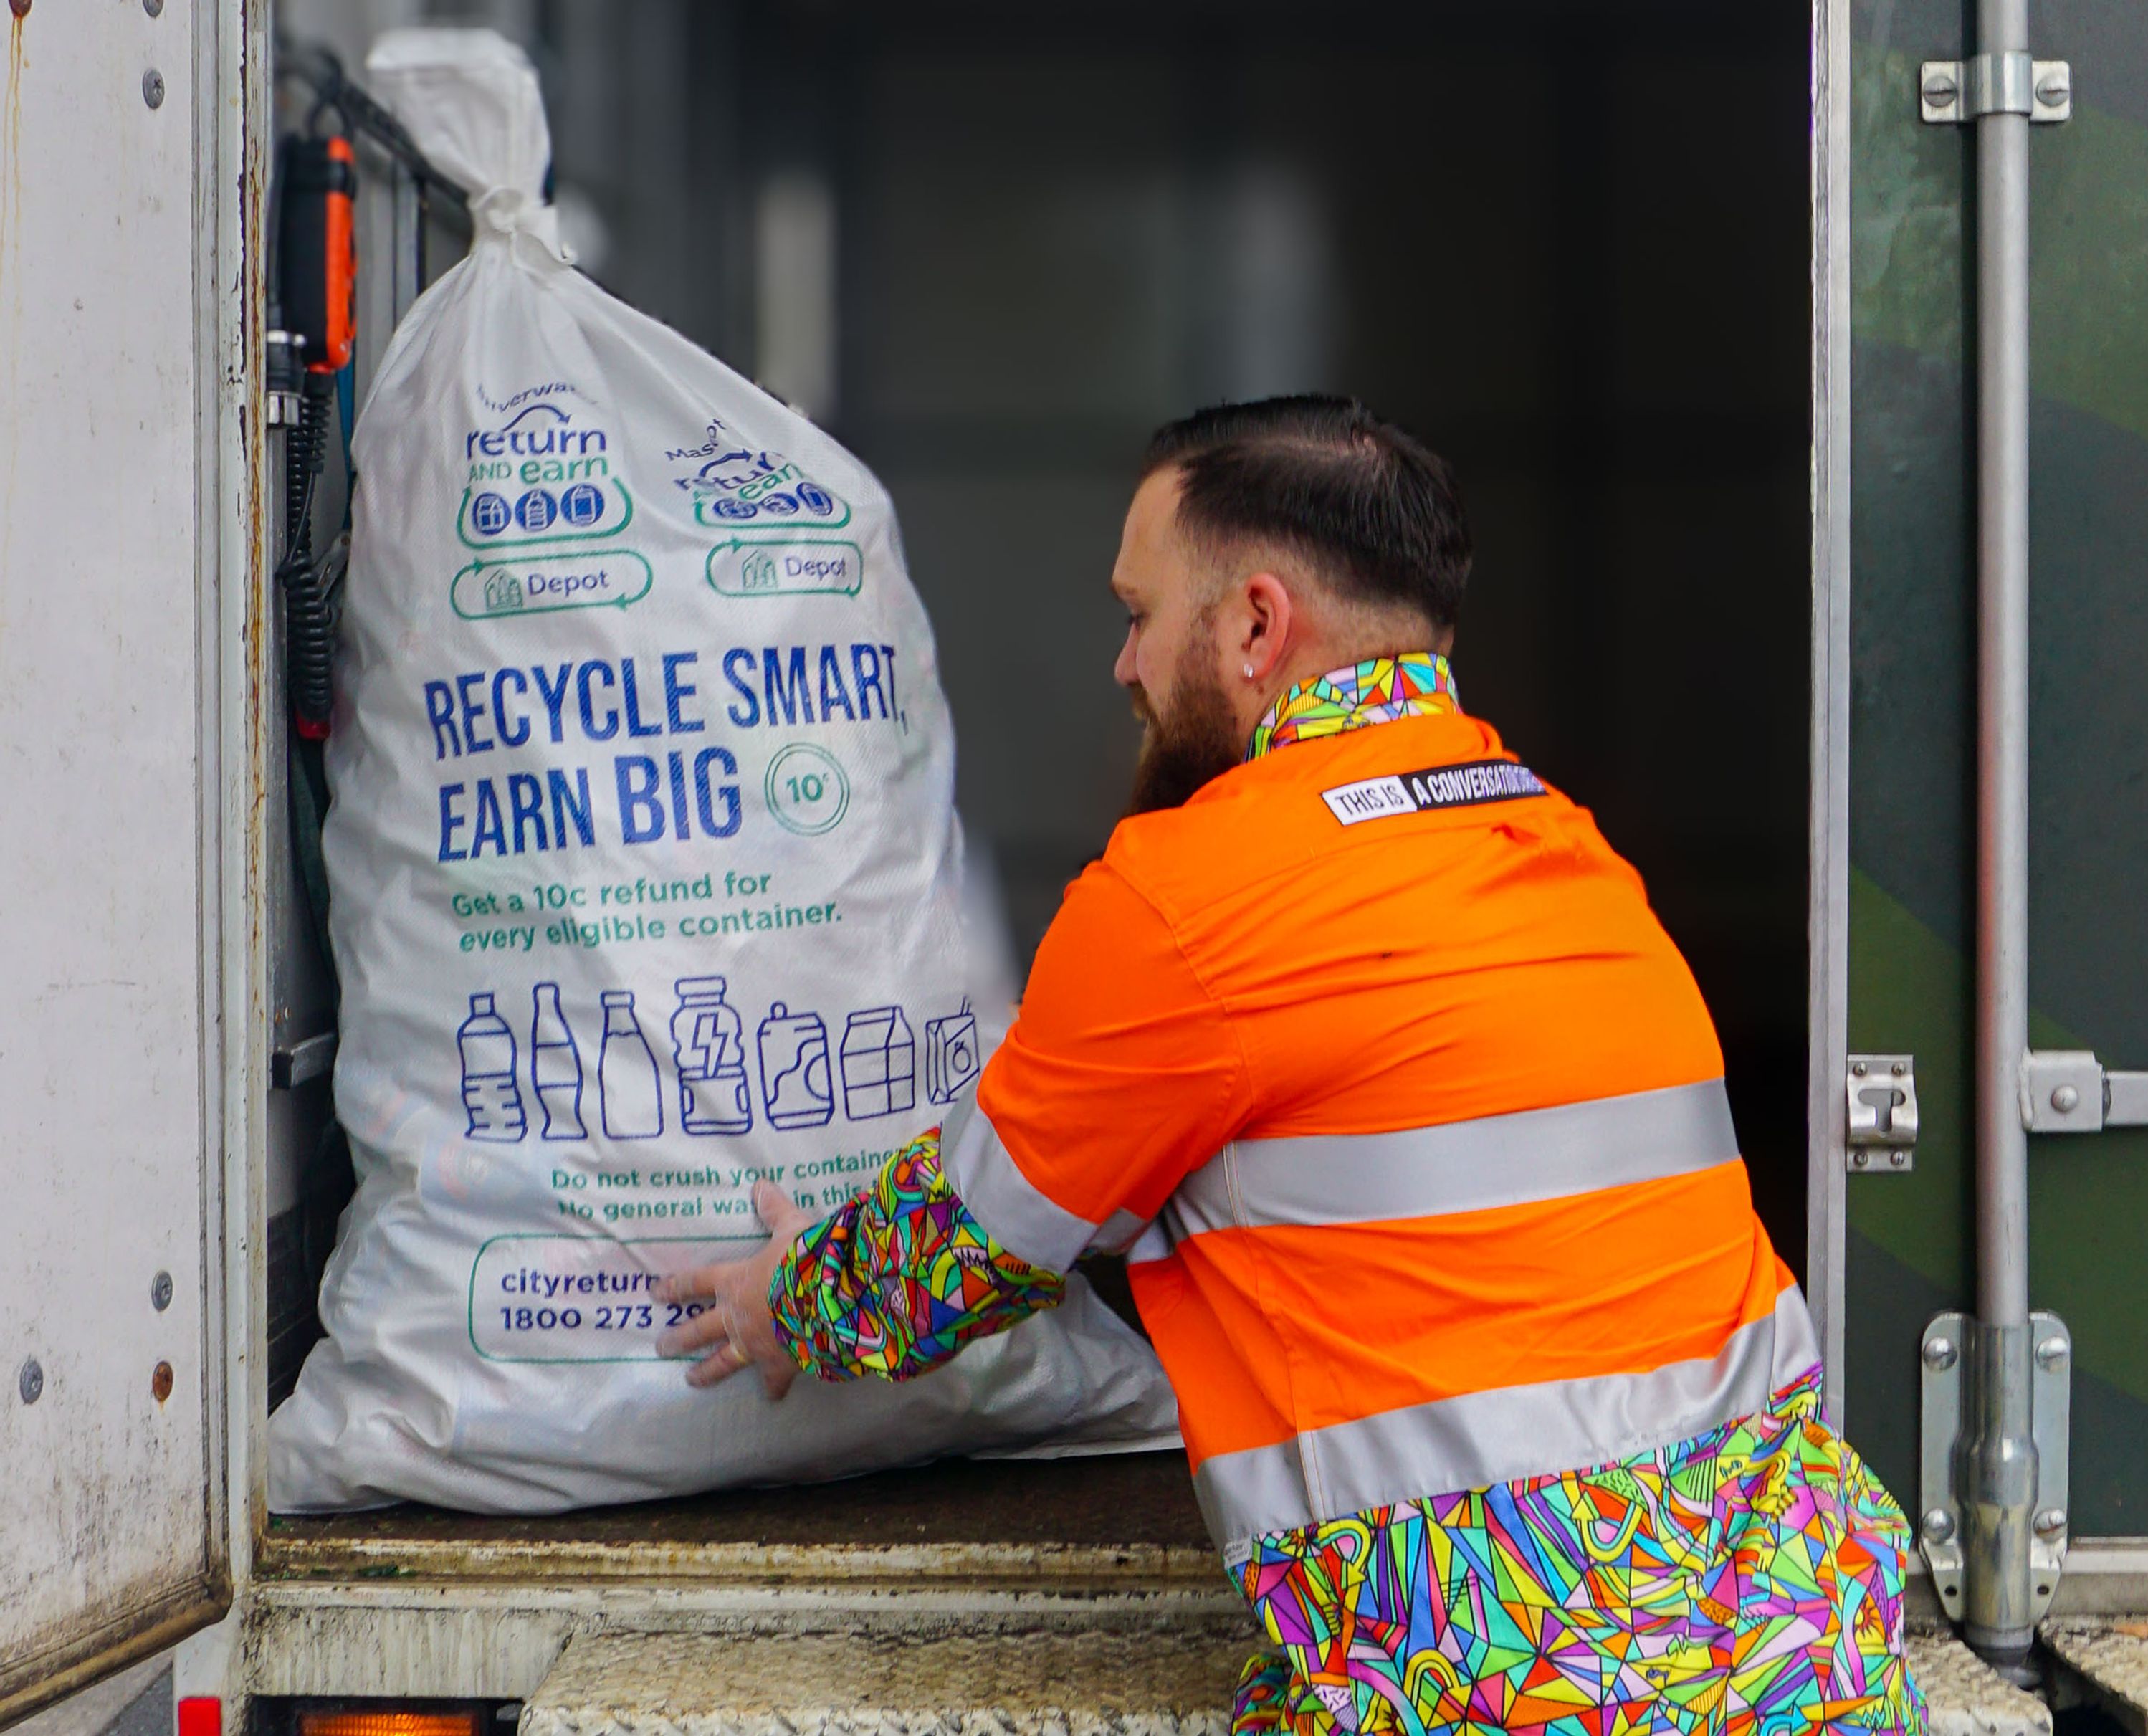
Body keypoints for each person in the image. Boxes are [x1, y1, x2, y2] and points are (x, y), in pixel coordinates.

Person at [656, 396, 1926, 1735]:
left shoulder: (1190, 898)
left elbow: (960, 1248)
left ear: (1256, 627)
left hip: (1508, 1697)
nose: (1124, 665)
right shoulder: (1568, 849)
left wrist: (779, 1303)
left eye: (1138, 613)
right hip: (1814, 1654)